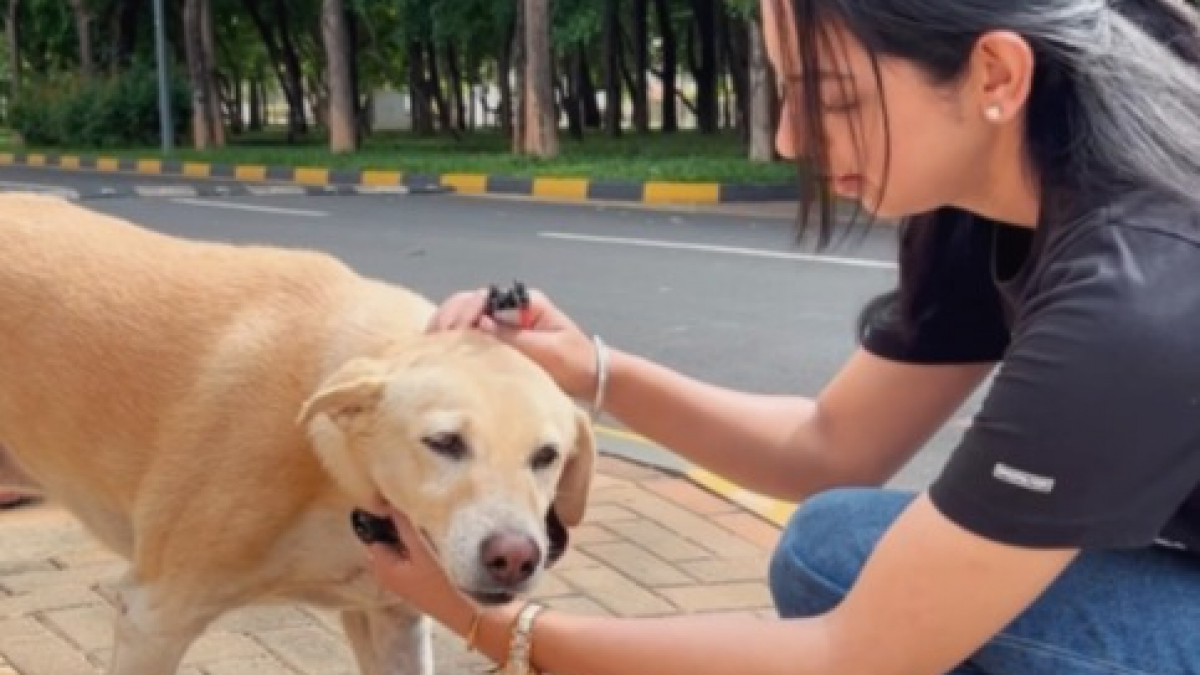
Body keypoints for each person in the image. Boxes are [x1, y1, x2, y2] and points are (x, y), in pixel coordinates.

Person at [362, 0, 1200, 672]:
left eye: (832, 96)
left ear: (995, 73)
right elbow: (831, 446)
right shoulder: (991, 207)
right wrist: (590, 367)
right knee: (837, 545)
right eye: (788, 91)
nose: (789, 138)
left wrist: (496, 625)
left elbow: (859, 654)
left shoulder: (1136, 293)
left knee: (854, 574)